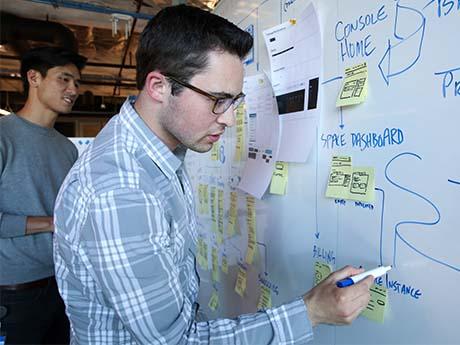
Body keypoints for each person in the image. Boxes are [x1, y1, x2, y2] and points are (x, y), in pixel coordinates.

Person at [53, 5, 372, 344]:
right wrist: (311, 312)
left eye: (235, 101)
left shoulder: (155, 154)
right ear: (159, 86)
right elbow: (174, 341)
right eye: (217, 100)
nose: (228, 119)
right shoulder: (120, 189)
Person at [0, 46, 86, 344]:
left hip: (63, 284)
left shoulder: (67, 148)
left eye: (77, 83)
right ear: (33, 77)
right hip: (14, 291)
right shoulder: (3, 136)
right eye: (64, 79)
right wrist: (51, 223)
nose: (73, 89)